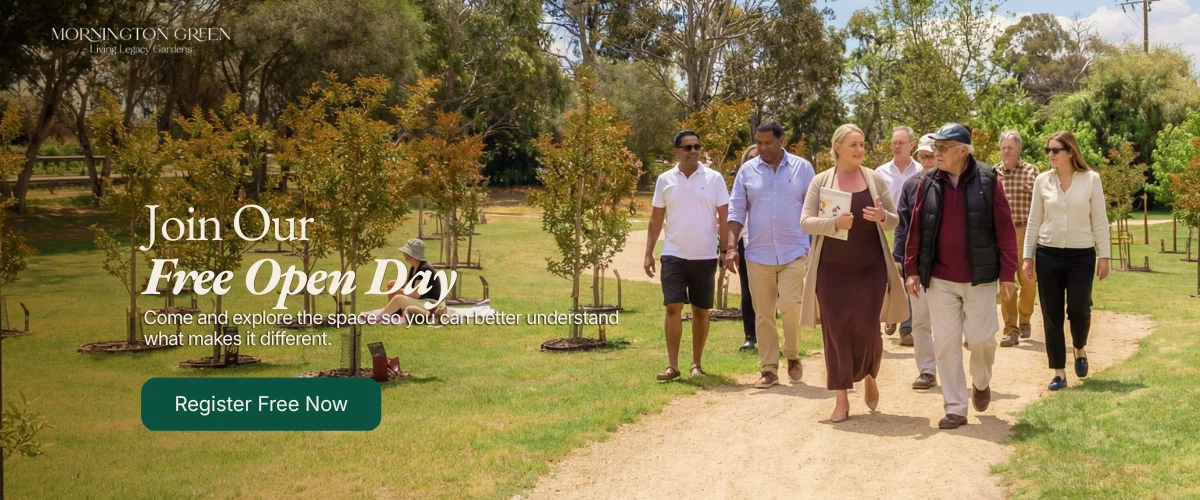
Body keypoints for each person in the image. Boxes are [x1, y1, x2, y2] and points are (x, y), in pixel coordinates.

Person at [903, 123, 1018, 430]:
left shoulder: (987, 179)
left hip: (979, 278)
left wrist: (1009, 273)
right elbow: (916, 226)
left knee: (981, 339)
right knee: (946, 343)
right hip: (940, 279)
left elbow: (1005, 228)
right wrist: (911, 269)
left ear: (962, 150)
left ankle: (981, 381)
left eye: (943, 148)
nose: (935, 153)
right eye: (935, 148)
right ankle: (955, 406)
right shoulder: (927, 182)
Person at [799, 124, 907, 422]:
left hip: (871, 270)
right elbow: (806, 222)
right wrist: (833, 224)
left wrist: (883, 216)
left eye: (862, 144)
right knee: (835, 335)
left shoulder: (874, 179)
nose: (860, 150)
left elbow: (894, 221)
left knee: (867, 329)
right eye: (853, 145)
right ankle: (841, 399)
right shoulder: (821, 182)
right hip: (831, 273)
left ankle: (870, 373)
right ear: (838, 148)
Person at [725, 121, 816, 389]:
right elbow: (736, 210)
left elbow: (813, 207)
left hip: (794, 251)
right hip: (758, 253)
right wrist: (731, 247)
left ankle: (793, 355)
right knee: (763, 314)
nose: (763, 148)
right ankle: (769, 368)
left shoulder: (803, 168)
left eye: (769, 143)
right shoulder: (747, 171)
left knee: (790, 307)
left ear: (781, 140)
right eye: (759, 143)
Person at [1021, 130, 1110, 391]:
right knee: (1052, 315)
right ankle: (1058, 371)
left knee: (1079, 310)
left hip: (1082, 255)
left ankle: (1079, 348)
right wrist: (1028, 256)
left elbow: (1100, 220)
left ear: (1070, 152)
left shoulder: (1091, 179)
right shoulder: (1042, 181)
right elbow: (1034, 221)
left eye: (1055, 150)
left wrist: (1103, 255)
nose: (1050, 154)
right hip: (1048, 254)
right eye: (1048, 150)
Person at [645, 130, 730, 380]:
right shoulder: (665, 180)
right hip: (673, 254)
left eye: (696, 147)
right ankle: (672, 366)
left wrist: (725, 250)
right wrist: (649, 253)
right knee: (673, 306)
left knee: (701, 310)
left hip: (704, 255)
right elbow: (656, 218)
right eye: (687, 147)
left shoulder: (714, 179)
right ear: (676, 151)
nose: (693, 151)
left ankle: (696, 364)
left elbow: (725, 217)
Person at [892, 134, 940, 390]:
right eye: (922, 156)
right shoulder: (911, 185)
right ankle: (927, 370)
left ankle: (950, 369)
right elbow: (902, 225)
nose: (927, 161)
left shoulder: (952, 184)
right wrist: (899, 259)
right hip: (918, 265)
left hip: (947, 266)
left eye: (931, 155)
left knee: (947, 323)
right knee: (920, 321)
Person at [995, 130, 1041, 347]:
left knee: (1029, 283)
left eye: (1010, 148)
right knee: (1006, 282)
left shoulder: (1033, 172)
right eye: (1003, 147)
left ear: (1019, 149)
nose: (1006, 151)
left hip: (1026, 233)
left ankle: (1025, 318)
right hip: (1002, 235)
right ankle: (1010, 329)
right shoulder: (993, 173)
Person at [876, 126, 922, 342]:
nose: (896, 146)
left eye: (901, 143)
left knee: (908, 274)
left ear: (912, 145)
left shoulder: (921, 171)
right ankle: (890, 313)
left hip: (912, 231)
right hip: (886, 231)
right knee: (887, 278)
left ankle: (906, 327)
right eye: (894, 142)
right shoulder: (880, 173)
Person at [378, 238, 449, 322]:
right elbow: (410, 287)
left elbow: (416, 294)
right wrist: (398, 285)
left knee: (398, 298)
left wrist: (398, 290)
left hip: (430, 303)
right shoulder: (414, 268)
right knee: (393, 286)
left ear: (414, 255)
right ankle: (393, 312)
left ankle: (378, 318)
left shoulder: (424, 270)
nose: (404, 255)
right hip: (421, 301)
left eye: (407, 253)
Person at [736, 145, 759, 351]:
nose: (755, 161)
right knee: (748, 292)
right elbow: (734, 216)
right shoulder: (741, 184)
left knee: (773, 295)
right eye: (751, 158)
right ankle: (750, 336)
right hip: (747, 243)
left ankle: (768, 334)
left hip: (774, 245)